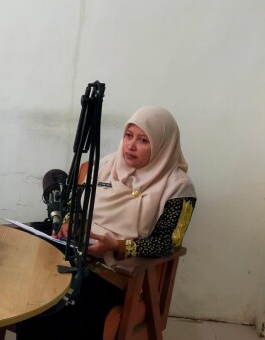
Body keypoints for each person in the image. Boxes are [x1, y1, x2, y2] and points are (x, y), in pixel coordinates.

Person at [17, 106, 197, 340]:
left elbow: (168, 243)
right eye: (128, 136)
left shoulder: (178, 187)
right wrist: (70, 221)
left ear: (164, 145)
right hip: (71, 254)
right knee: (31, 291)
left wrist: (117, 246)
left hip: (112, 271)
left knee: (66, 308)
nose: (131, 145)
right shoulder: (105, 165)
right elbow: (74, 203)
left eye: (143, 140)